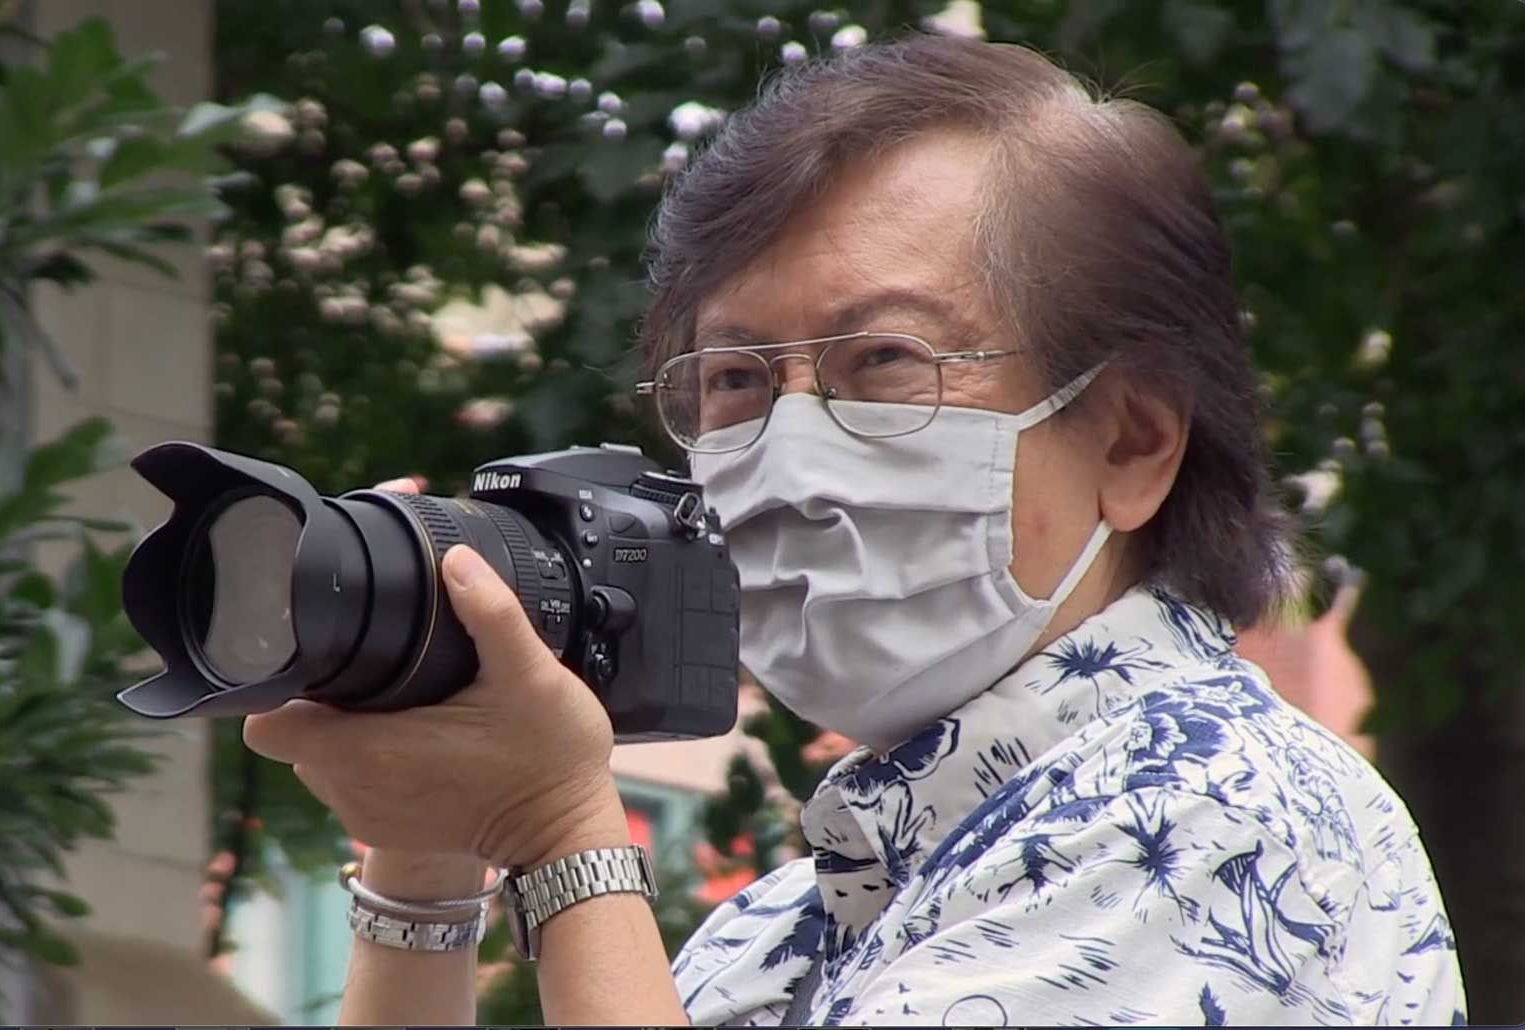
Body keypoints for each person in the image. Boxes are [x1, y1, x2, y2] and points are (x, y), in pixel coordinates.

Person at [240, 31, 1465, 1026]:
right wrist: (426, 865)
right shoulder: (785, 925)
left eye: (884, 360)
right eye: (734, 383)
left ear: (1134, 442)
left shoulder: (1208, 812)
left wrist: (560, 831)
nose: (789, 454)